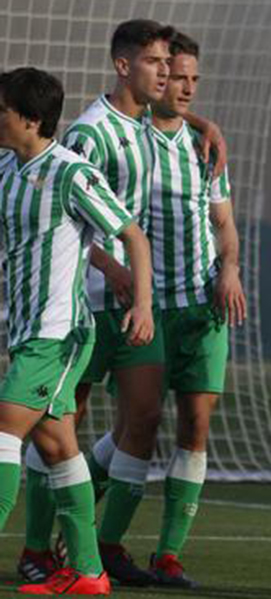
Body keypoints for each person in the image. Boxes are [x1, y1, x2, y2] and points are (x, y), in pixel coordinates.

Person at [0, 66, 154, 596]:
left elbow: (132, 235)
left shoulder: (71, 172)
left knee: (2, 432)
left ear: (31, 118)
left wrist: (143, 304)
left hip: (58, 332)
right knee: (59, 446)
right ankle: (88, 572)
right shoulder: (5, 168)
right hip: (25, 328)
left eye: (2, 109)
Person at [143, 30, 245, 588]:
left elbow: (225, 225)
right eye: (175, 76)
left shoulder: (204, 148)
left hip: (203, 309)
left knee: (196, 424)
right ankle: (87, 528)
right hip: (147, 310)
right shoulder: (127, 139)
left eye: (191, 80)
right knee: (136, 427)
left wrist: (229, 268)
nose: (184, 88)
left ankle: (168, 553)